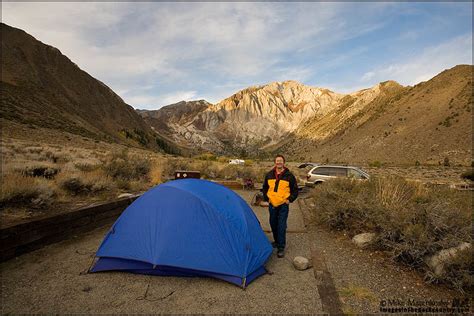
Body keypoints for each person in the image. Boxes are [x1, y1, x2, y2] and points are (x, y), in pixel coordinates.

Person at [262, 154, 298, 258]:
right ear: (275, 162)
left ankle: (281, 247)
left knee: (281, 225)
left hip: (283, 205)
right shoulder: (269, 175)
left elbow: (295, 190)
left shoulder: (289, 176)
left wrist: (289, 200)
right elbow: (264, 187)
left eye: (281, 161)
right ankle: (277, 241)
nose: (279, 162)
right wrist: (266, 199)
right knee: (273, 223)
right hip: (272, 204)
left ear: (284, 162)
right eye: (277, 161)